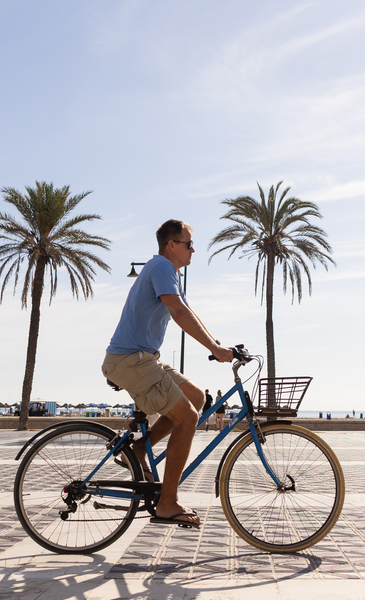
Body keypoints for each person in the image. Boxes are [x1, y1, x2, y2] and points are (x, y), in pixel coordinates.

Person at [102, 219, 234, 529]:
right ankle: (167, 502)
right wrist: (216, 350)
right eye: (188, 244)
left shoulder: (169, 273)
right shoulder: (160, 266)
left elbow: (188, 312)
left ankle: (137, 449)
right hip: (130, 360)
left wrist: (217, 345)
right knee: (188, 418)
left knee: (196, 397)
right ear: (171, 245)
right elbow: (177, 313)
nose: (192, 249)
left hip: (145, 358)